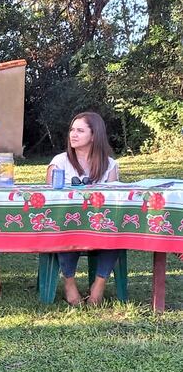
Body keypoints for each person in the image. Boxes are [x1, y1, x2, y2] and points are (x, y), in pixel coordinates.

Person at [46, 112, 120, 305]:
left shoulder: (109, 165)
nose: (73, 134)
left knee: (115, 228)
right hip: (67, 221)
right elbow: (50, 200)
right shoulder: (59, 162)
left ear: (94, 136)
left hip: (99, 224)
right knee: (68, 225)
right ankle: (69, 283)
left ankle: (99, 285)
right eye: (72, 130)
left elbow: (113, 202)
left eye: (80, 130)